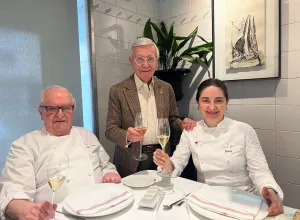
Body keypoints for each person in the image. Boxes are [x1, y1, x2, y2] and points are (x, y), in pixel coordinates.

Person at [154, 78, 284, 216]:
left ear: (226, 102)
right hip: (206, 201)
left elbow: (260, 170)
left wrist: (270, 189)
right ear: (198, 103)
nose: (212, 107)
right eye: (206, 100)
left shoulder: (244, 130)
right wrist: (167, 164)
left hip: (243, 200)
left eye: (218, 100)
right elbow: (178, 163)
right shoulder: (192, 131)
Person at [0, 85, 121, 220]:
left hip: (102, 207)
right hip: (58, 216)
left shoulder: (86, 134)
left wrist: (110, 172)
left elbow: (106, 165)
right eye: (52, 108)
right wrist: (27, 210)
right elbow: (13, 193)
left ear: (72, 111)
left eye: (66, 108)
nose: (60, 114)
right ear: (41, 113)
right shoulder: (24, 145)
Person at [105, 37, 196, 177]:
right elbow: (110, 130)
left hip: (161, 155)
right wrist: (127, 136)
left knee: (162, 194)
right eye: (139, 59)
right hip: (130, 158)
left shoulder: (166, 88)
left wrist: (182, 125)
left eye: (150, 59)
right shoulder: (118, 91)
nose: (145, 64)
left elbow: (172, 119)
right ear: (132, 61)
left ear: (157, 61)